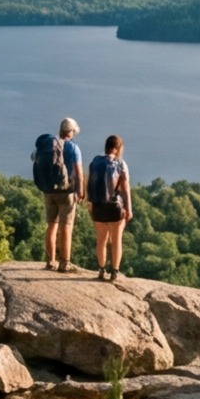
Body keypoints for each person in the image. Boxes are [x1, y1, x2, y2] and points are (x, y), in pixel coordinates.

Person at [36, 118, 85, 271]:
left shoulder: (48, 145)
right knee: (66, 227)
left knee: (51, 225)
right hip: (66, 192)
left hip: (49, 191)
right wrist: (80, 191)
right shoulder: (73, 148)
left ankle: (50, 261)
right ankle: (65, 263)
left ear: (60, 130)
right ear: (72, 132)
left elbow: (35, 159)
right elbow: (79, 173)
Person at [87, 135, 133, 281]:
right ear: (117, 148)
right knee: (116, 240)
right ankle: (114, 272)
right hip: (115, 207)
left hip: (98, 206)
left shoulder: (95, 161)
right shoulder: (120, 163)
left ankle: (101, 270)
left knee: (101, 240)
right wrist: (129, 209)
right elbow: (125, 189)